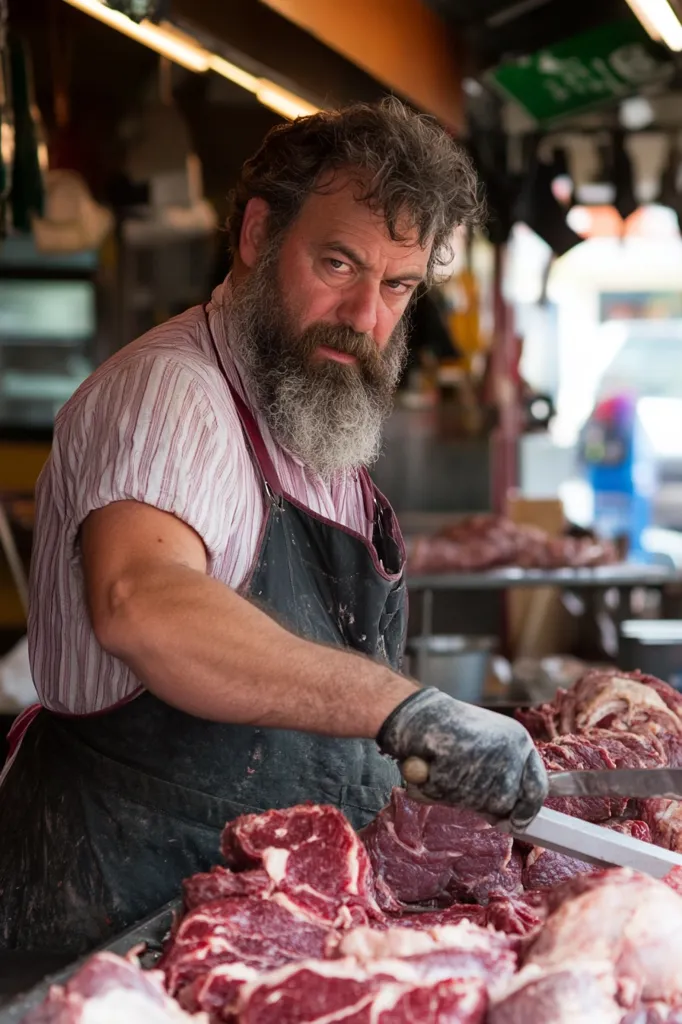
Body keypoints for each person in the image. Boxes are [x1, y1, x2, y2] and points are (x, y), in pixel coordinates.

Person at [0, 99, 547, 955]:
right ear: (257, 234)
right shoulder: (173, 393)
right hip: (120, 931)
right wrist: (403, 709)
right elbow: (142, 602)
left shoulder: (304, 416)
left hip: (259, 912)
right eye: (338, 262)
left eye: (397, 286)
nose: (366, 315)